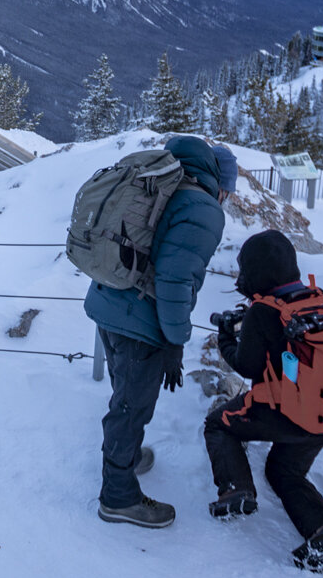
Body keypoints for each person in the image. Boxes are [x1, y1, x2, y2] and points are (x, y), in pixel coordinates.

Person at [83, 135, 237, 529]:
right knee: (132, 407)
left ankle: (126, 456)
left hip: (109, 302)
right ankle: (118, 496)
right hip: (141, 321)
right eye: (229, 193)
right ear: (221, 186)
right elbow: (174, 282)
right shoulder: (202, 208)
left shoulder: (162, 184)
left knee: (124, 393)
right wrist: (175, 341)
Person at [204, 228, 323, 572]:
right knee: (284, 470)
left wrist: (225, 339)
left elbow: (247, 365)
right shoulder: (317, 299)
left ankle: (236, 491)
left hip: (286, 411)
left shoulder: (264, 311)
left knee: (218, 424)